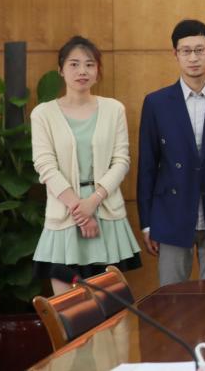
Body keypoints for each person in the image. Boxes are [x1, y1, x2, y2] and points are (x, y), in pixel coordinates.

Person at [136, 19, 205, 286]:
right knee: (172, 299)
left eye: (199, 50)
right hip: (171, 215)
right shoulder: (156, 103)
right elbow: (148, 166)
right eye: (186, 51)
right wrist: (147, 223)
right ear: (175, 54)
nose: (193, 58)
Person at [31, 36, 142, 294]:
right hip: (64, 218)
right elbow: (45, 164)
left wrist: (93, 201)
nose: (82, 71)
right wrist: (79, 210)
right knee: (68, 309)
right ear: (61, 70)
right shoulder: (43, 114)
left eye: (90, 64)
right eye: (74, 64)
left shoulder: (114, 109)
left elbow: (121, 160)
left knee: (109, 307)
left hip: (106, 215)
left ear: (97, 70)